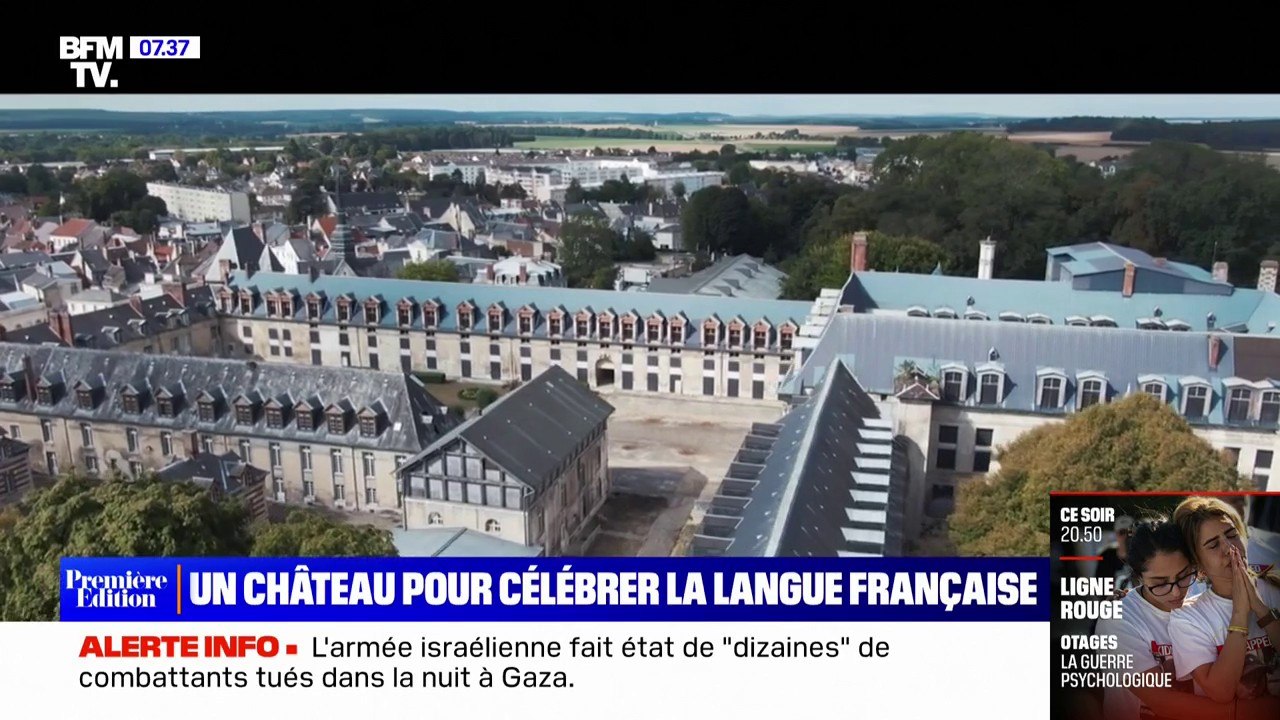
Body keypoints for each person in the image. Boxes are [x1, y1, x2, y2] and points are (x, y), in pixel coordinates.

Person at [1169, 496, 1280, 706]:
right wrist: (1240, 612)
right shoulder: (1188, 618)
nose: (1229, 548)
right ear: (1198, 565)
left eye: (1231, 534)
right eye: (1213, 545)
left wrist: (1261, 609)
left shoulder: (1275, 590)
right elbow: (1221, 692)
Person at [1096, 515, 1137, 593]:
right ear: (1116, 535)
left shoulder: (1143, 555)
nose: (1126, 536)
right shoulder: (1107, 556)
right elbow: (1099, 587)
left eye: (1129, 532)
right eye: (1122, 533)